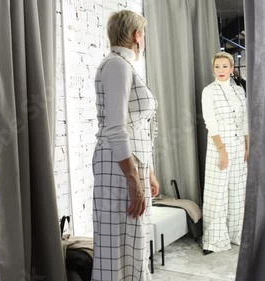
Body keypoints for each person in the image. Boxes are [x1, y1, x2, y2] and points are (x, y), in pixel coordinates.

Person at [92, 10, 159, 281]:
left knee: (133, 240)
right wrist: (133, 178)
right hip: (119, 167)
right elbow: (117, 128)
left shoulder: (123, 64)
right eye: (143, 33)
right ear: (136, 36)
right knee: (119, 243)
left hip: (129, 164)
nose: (143, 38)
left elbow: (137, 128)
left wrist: (149, 171)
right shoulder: (117, 66)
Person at [201, 51, 249, 255]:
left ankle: (235, 234)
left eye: (224, 66)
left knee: (238, 192)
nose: (220, 70)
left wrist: (248, 146)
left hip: (240, 146)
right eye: (217, 66)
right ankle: (214, 239)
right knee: (217, 192)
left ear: (232, 69)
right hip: (219, 146)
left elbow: (246, 120)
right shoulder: (208, 91)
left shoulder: (239, 91)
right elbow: (210, 123)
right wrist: (222, 151)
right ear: (213, 69)